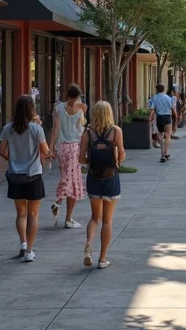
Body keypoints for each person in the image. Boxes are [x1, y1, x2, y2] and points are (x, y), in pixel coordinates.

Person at [0, 95, 50, 262]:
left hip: (15, 175)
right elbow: (46, 150)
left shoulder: (7, 128)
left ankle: (22, 243)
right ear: (31, 110)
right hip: (33, 175)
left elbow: (1, 151)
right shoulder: (36, 129)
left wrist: (12, 161)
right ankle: (29, 251)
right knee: (33, 214)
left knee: (21, 213)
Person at [79, 100, 126, 269]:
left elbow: (81, 159)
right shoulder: (116, 131)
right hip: (110, 178)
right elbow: (121, 156)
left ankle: (88, 245)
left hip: (93, 178)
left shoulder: (87, 133)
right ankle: (102, 258)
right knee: (107, 221)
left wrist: (92, 160)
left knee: (94, 217)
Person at [50, 84, 87, 229]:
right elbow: (80, 129)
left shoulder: (58, 108)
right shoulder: (80, 110)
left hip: (61, 147)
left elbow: (55, 129)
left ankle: (66, 215)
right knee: (73, 181)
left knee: (67, 178)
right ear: (78, 96)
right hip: (73, 147)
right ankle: (60, 205)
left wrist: (51, 147)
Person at [149, 84, 175, 163]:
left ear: (157, 90)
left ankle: (162, 155)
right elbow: (173, 108)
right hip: (167, 117)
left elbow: (152, 109)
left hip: (159, 118)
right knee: (167, 136)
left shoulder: (154, 98)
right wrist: (175, 118)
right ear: (164, 89)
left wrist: (150, 118)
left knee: (160, 137)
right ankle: (166, 152)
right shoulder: (169, 98)